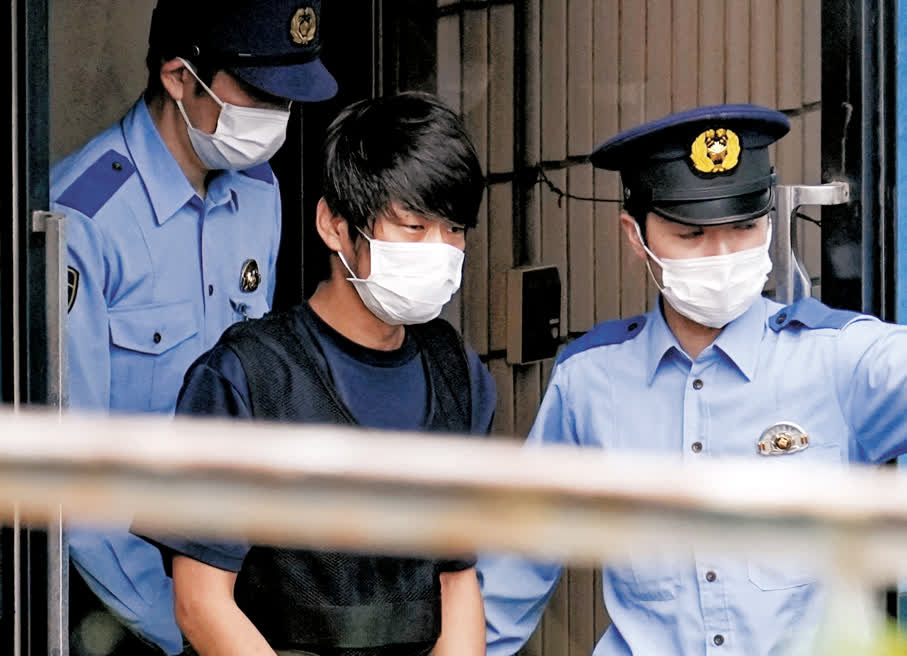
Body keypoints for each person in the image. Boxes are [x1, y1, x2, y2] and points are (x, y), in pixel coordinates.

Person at [477, 104, 907, 655]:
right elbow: (512, 575)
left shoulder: (838, 358)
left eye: (744, 227)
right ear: (636, 237)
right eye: (692, 234)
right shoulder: (589, 380)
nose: (723, 256)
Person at [138, 91, 494, 655]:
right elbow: (201, 601)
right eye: (413, 226)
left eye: (454, 229)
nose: (441, 249)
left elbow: (457, 579)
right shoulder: (245, 377)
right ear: (334, 224)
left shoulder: (457, 374)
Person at [52, 1, 337, 653]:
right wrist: (185, 625)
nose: (277, 116)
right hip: (119, 603)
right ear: (180, 76)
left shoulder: (258, 191)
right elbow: (74, 482)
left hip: (229, 584)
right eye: (260, 95)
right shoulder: (83, 220)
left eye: (287, 98)